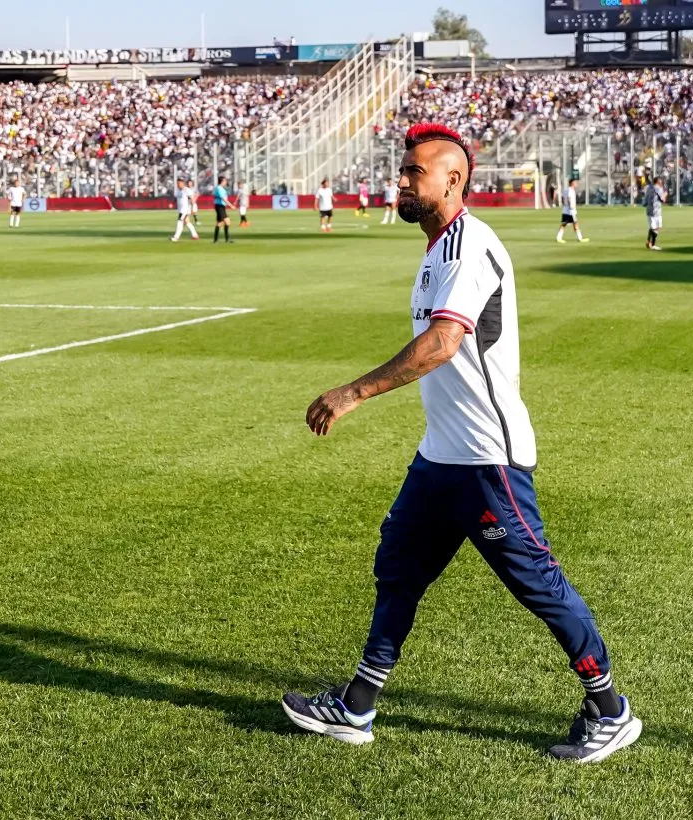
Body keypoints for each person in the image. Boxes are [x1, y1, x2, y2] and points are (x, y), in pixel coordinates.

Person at [282, 122, 642, 763]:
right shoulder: (435, 250)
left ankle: (610, 709)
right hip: (441, 456)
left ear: (453, 181)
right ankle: (357, 707)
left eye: (412, 173)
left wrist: (353, 393)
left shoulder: (467, 247)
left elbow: (445, 341)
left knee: (536, 582)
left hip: (485, 460)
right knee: (398, 569)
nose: (400, 181)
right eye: (402, 170)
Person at [555, 178, 588, 244]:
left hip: (566, 210)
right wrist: (570, 207)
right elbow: (568, 198)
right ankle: (580, 238)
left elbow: (563, 198)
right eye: (575, 182)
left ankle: (559, 237)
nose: (576, 184)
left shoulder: (566, 190)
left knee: (566, 224)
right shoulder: (570, 190)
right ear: (572, 183)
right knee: (573, 224)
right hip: (570, 211)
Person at [644, 175, 665, 251]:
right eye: (661, 181)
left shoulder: (649, 188)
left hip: (649, 210)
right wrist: (665, 195)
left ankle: (648, 241)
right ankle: (653, 244)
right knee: (656, 228)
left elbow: (645, 200)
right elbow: (662, 200)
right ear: (658, 181)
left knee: (653, 227)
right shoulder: (659, 189)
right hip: (656, 211)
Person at [213, 176, 234, 244]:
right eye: (225, 181)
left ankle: (226, 239)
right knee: (220, 223)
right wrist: (230, 205)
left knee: (227, 222)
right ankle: (216, 240)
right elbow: (223, 198)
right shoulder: (219, 188)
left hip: (222, 207)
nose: (226, 182)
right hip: (219, 206)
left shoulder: (221, 188)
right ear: (222, 181)